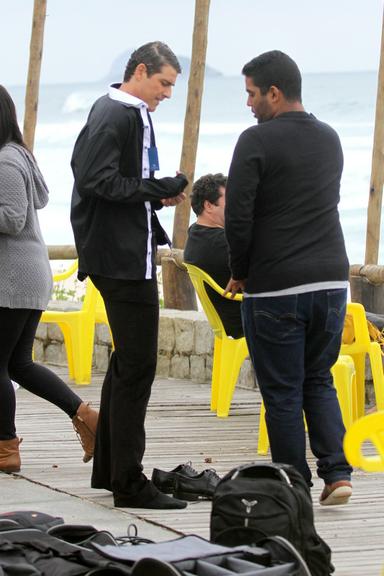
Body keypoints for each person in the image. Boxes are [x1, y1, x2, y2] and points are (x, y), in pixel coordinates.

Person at [224, 51, 353, 506]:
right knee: (318, 379)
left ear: (274, 93)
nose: (249, 104)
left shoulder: (255, 141)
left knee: (281, 392)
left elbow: (237, 217)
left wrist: (239, 271)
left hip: (277, 286)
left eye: (251, 94)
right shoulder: (330, 138)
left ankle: (292, 490)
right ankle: (337, 474)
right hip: (332, 281)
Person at [70, 42, 188, 509]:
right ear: (140, 72)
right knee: (138, 367)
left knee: (126, 364)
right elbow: (93, 179)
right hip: (121, 259)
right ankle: (130, 482)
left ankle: (113, 472)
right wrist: (156, 187)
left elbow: (104, 181)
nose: (166, 94)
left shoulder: (112, 108)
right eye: (164, 83)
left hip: (115, 253)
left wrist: (153, 199)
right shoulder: (122, 112)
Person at [0, 85, 98, 474]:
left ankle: (6, 447)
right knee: (19, 364)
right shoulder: (18, 155)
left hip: (10, 278)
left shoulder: (6, 161)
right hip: (25, 275)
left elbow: (11, 217)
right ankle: (87, 417)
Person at [184, 173, 243, 339]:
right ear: (209, 206)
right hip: (243, 322)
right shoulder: (221, 243)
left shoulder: (195, 234)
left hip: (225, 323)